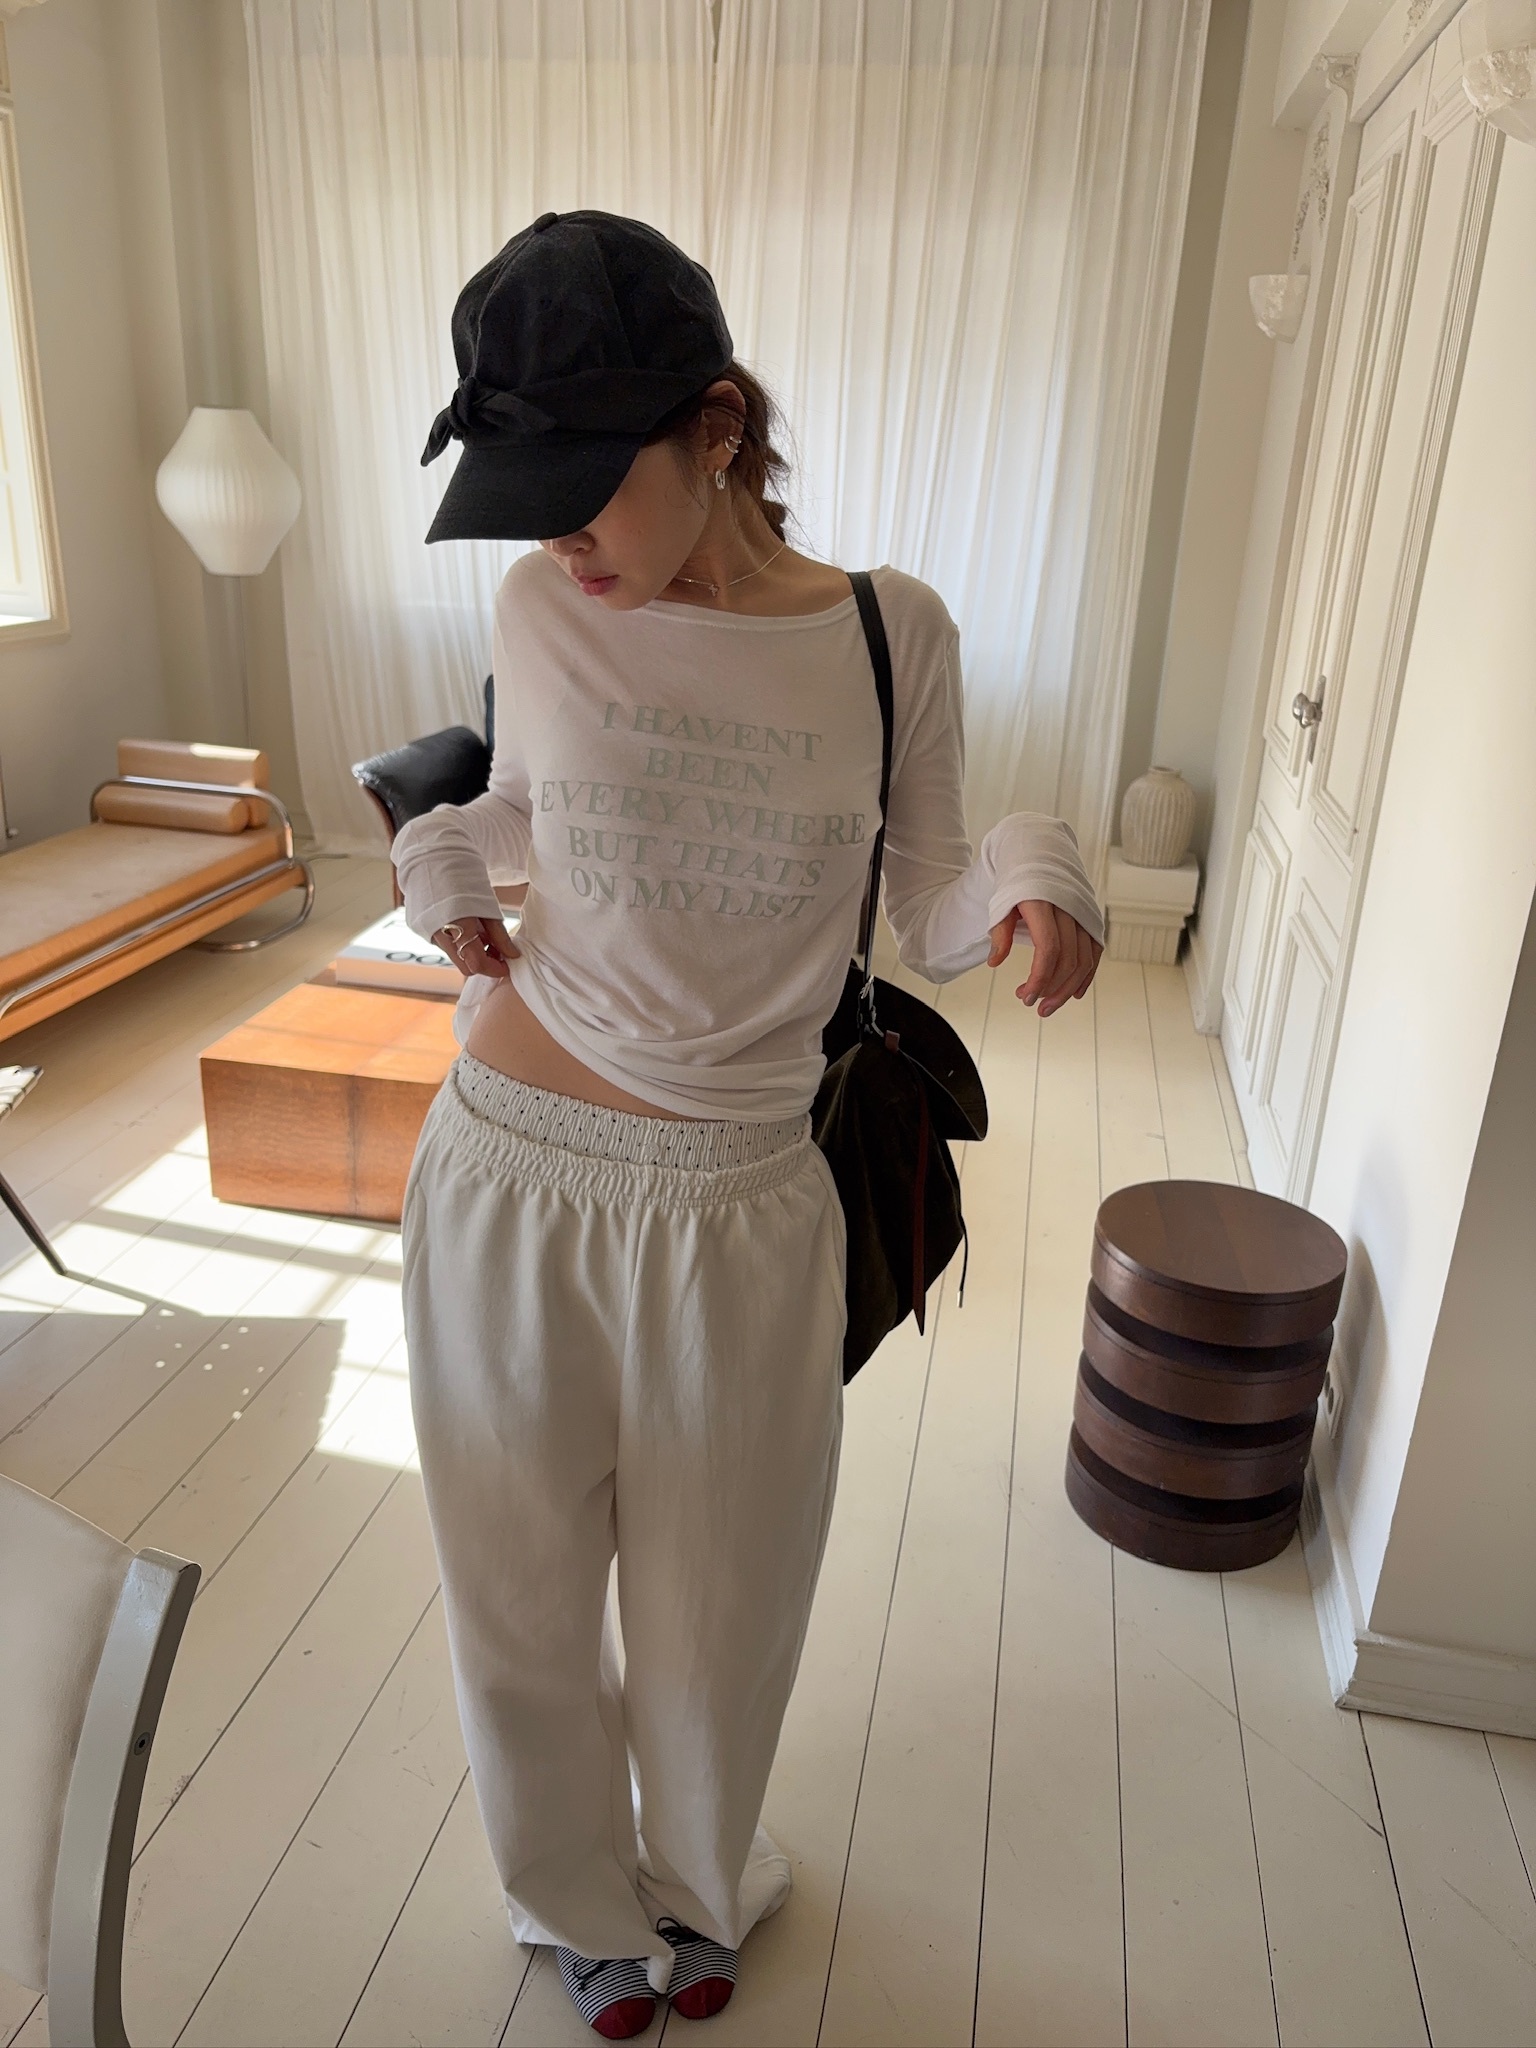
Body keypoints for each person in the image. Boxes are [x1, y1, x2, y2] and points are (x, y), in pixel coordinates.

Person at [395, 210, 1104, 2040]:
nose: (557, 536)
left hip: (738, 1199)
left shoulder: (887, 633)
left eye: (583, 486)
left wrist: (1038, 874)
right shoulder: (541, 606)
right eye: (524, 497)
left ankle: (702, 1880)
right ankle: (571, 1902)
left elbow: (929, 901)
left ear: (715, 428)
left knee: (724, 1611)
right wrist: (440, 856)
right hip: (507, 1168)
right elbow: (527, 810)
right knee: (520, 1597)